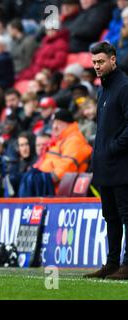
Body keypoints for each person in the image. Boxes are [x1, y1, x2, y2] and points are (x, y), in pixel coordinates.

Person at [85, 42, 128, 280]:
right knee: (110, 217)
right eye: (94, 63)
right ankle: (112, 264)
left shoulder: (124, 87)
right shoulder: (103, 91)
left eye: (101, 62)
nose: (97, 66)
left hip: (122, 166)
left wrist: (112, 148)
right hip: (105, 167)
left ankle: (127, 264)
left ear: (113, 60)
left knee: (126, 216)